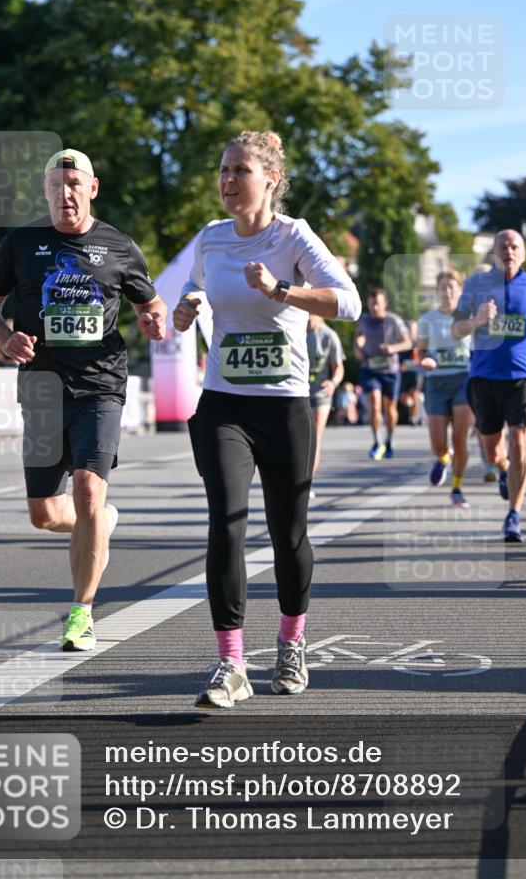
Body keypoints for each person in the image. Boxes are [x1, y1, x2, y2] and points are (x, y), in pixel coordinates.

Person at [172, 130, 361, 709]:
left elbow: (347, 302)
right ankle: (230, 663)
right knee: (226, 521)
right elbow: (192, 292)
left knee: (288, 533)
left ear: (271, 180)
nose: (228, 180)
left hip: (283, 405)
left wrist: (282, 290)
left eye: (240, 171)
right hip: (224, 402)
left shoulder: (293, 237)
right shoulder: (210, 240)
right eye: (223, 170)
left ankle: (291, 641)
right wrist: (184, 309)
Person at [0, 148, 166, 651]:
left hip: (100, 384)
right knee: (44, 513)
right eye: (57, 185)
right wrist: (3, 338)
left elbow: (152, 303)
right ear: (45, 191)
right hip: (40, 389)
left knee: (86, 489)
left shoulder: (119, 247)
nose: (66, 194)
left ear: (93, 188)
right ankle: (100, 522)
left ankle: (81, 613)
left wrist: (153, 320)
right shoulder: (21, 243)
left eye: (75, 184)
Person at [452, 229, 526, 543]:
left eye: (514, 246)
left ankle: (514, 515)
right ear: (494, 252)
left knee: (520, 443)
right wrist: (476, 321)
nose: (508, 251)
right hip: (484, 378)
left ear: (523, 253)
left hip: (522, 377)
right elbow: (455, 330)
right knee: (493, 450)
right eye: (502, 246)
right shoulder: (475, 284)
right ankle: (503, 469)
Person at [417, 270, 472, 508]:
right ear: (437, 291)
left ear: (459, 291)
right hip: (436, 382)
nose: (447, 292)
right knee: (438, 443)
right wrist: (424, 359)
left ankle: (457, 488)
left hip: (462, 379)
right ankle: (442, 458)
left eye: (452, 287)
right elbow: (421, 351)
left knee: (460, 439)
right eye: (443, 288)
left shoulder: (469, 317)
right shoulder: (427, 319)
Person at [354, 288, 411, 459]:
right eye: (371, 304)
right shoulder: (364, 320)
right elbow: (358, 342)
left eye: (377, 304)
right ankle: (377, 441)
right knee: (374, 403)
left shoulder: (393, 320)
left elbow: (408, 342)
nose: (374, 308)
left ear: (385, 303)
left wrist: (393, 348)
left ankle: (389, 440)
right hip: (370, 368)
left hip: (390, 370)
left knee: (390, 407)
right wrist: (359, 347)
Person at [306, 314, 345, 491]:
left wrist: (333, 382)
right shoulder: (293, 331)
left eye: (312, 313)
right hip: (297, 392)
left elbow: (338, 368)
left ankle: (307, 483)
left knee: (314, 438)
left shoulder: (329, 336)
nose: (308, 317)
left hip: (321, 393)